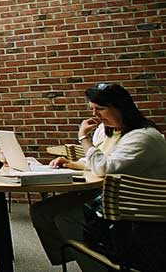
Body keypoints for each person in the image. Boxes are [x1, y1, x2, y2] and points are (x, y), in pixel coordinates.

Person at [31, 83, 166, 272]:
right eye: (92, 109)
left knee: (65, 219)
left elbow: (103, 167)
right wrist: (70, 163)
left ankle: (96, 262)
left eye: (101, 108)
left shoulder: (142, 136)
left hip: (139, 205)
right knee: (42, 211)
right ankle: (81, 253)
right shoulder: (110, 131)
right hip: (110, 192)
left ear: (121, 107)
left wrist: (83, 137)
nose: (96, 115)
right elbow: (97, 161)